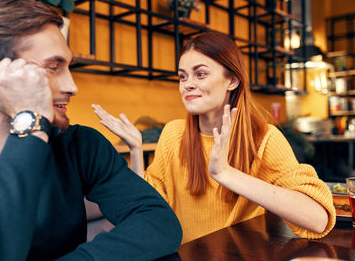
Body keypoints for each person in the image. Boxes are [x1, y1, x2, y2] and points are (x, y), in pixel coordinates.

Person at [0, 0, 182, 260]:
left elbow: (159, 222)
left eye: (68, 67)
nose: (72, 87)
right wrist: (31, 121)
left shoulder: (80, 144)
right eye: (53, 67)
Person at [92, 32, 336, 244]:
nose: (187, 85)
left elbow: (317, 219)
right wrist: (135, 150)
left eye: (200, 74)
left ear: (232, 80)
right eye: (183, 76)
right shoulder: (173, 134)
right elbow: (145, 209)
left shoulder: (264, 139)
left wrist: (227, 174)